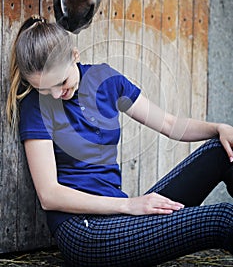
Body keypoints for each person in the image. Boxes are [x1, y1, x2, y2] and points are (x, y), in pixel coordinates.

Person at [6, 15, 233, 267]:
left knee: (222, 150)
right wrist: (130, 205)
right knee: (223, 218)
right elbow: (49, 195)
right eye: (45, 89)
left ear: (74, 55)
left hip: (122, 217)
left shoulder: (106, 81)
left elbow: (170, 124)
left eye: (61, 83)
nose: (57, 94)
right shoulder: (35, 107)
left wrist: (219, 128)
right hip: (84, 231)